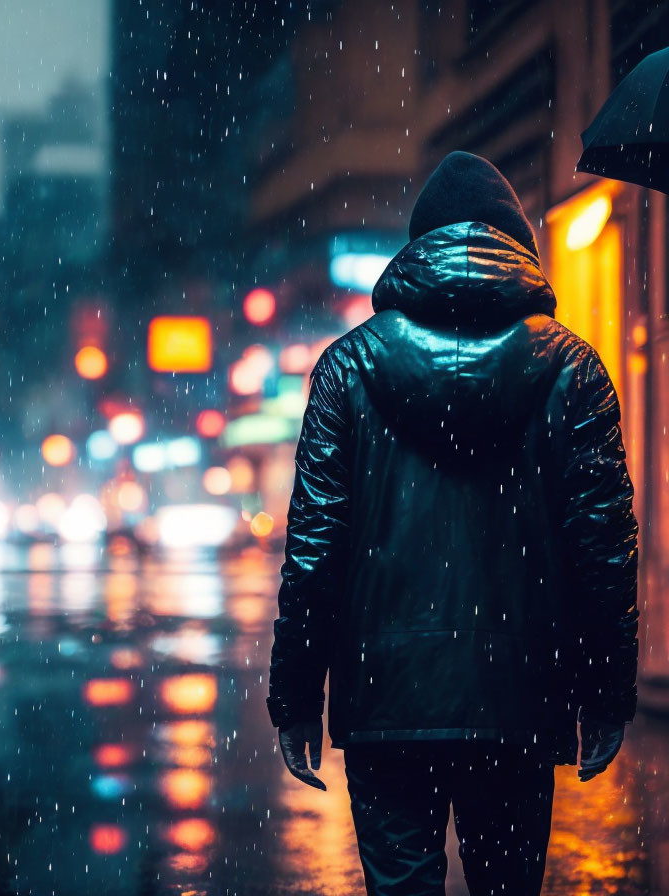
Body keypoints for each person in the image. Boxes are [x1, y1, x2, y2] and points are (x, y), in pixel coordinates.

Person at [266, 151, 639, 896]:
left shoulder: (346, 371)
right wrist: (606, 693)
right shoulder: (576, 370)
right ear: (518, 247)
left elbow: (314, 551)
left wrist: (297, 698)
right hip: (518, 701)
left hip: (386, 703)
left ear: (415, 249)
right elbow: (604, 550)